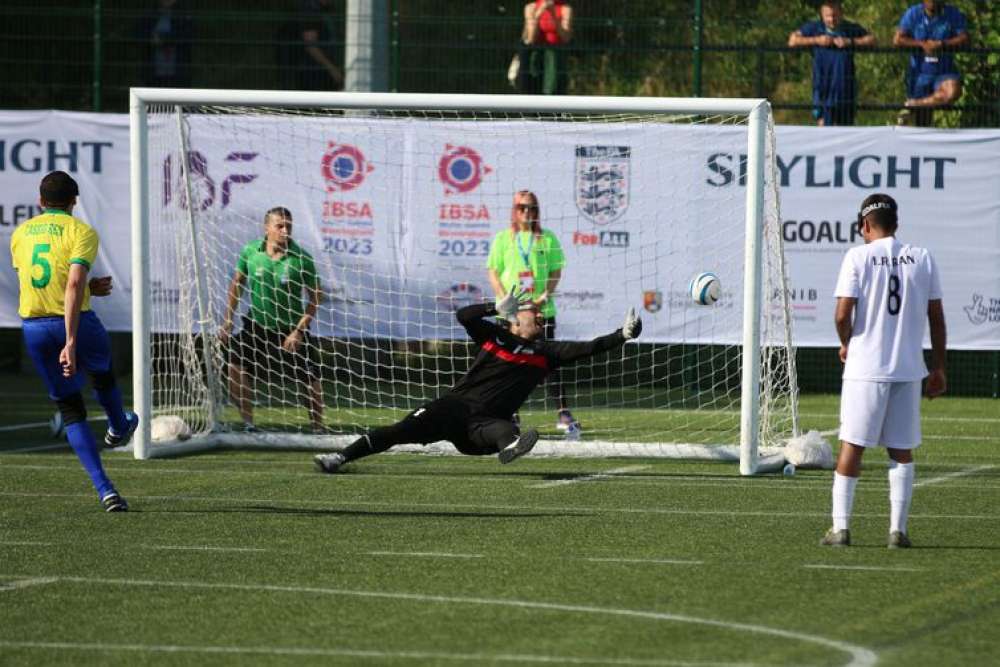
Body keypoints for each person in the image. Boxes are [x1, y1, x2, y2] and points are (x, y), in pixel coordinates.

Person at [313, 289, 642, 473]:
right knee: (399, 432)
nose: (541, 317)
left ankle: (510, 446)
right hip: (454, 408)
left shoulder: (547, 352)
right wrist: (493, 306)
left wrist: (623, 335)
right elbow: (465, 316)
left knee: (507, 431)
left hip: (483, 426)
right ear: (514, 321)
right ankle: (340, 457)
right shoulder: (493, 336)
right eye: (533, 313)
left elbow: (590, 348)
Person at [821, 193, 947, 549]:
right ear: (896, 224)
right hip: (908, 369)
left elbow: (842, 314)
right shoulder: (922, 257)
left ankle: (841, 529)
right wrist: (938, 366)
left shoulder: (857, 256)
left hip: (865, 368)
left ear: (864, 225)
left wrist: (846, 342)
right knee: (901, 451)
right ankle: (897, 531)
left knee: (852, 447)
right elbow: (936, 318)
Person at [10, 171, 139, 512]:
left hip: (34, 328)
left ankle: (105, 490)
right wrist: (69, 339)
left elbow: (43, 281)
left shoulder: (20, 233)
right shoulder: (81, 231)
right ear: (74, 201)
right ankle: (117, 426)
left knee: (69, 408)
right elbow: (70, 284)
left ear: (41, 201)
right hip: (75, 325)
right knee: (103, 374)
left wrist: (87, 291)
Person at [220, 207, 324, 433]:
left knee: (311, 378)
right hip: (257, 325)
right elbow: (237, 284)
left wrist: (298, 331)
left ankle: (318, 428)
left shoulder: (302, 258)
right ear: (267, 228)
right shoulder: (250, 252)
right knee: (233, 364)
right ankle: (248, 423)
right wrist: (228, 319)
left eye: (289, 226)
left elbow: (316, 297)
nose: (285, 230)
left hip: (291, 329)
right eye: (280, 226)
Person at [486, 190, 578, 435]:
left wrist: (544, 295)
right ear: (514, 210)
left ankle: (563, 414)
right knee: (508, 364)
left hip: (541, 312)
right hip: (511, 315)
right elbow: (493, 272)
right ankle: (510, 414)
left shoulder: (547, 238)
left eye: (532, 208)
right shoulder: (503, 239)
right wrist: (506, 301)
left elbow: (556, 272)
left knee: (549, 362)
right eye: (522, 208)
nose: (527, 212)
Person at [787, 1, 875, 127]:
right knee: (824, 131)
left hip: (845, 91)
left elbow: (872, 39)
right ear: (822, 15)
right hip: (823, 89)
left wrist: (850, 42)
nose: (832, 19)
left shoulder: (849, 28)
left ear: (841, 14)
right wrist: (817, 40)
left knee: (846, 131)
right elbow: (793, 40)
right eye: (828, 16)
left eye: (835, 15)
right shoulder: (815, 28)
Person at [894, 0, 969, 127]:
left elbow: (965, 38)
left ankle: (913, 105)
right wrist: (921, 44)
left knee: (952, 92)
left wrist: (942, 44)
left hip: (944, 71)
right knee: (923, 123)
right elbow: (897, 39)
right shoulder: (913, 13)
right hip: (920, 73)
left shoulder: (952, 13)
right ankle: (915, 113)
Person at [276, 0, 344, 92]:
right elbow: (311, 45)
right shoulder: (309, 9)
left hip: (315, 68)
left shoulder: (320, 9)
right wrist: (332, 69)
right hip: (311, 70)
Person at [519, 0, 573, 95]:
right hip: (536, 54)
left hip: (555, 55)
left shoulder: (565, 9)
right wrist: (539, 12)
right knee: (533, 86)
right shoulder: (531, 7)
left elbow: (566, 37)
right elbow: (531, 38)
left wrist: (553, 14)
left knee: (554, 87)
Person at [137, 0, 194, 88]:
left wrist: (162, 39)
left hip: (177, 73)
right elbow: (140, 33)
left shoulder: (184, 14)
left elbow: (186, 34)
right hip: (153, 72)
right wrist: (151, 39)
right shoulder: (150, 13)